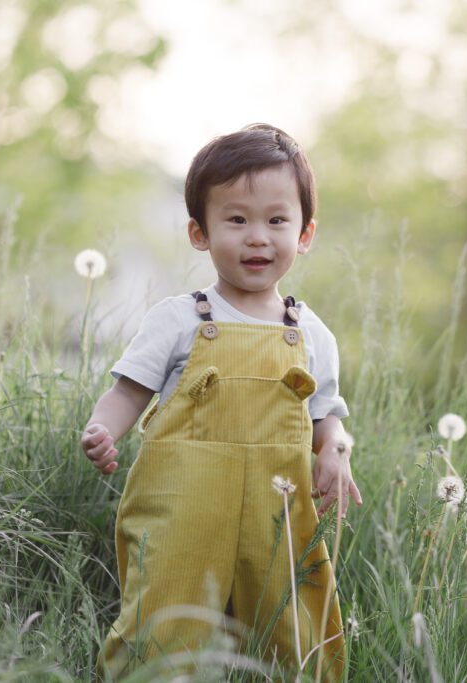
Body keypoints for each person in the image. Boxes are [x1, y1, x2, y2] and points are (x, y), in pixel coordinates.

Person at [81, 123, 361, 680]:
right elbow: (129, 391)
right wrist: (102, 429)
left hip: (276, 510)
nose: (257, 237)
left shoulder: (311, 335)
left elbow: (324, 418)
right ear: (199, 231)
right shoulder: (179, 318)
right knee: (164, 613)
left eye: (276, 220)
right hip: (183, 503)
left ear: (304, 234)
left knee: (292, 615)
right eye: (236, 220)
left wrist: (334, 452)